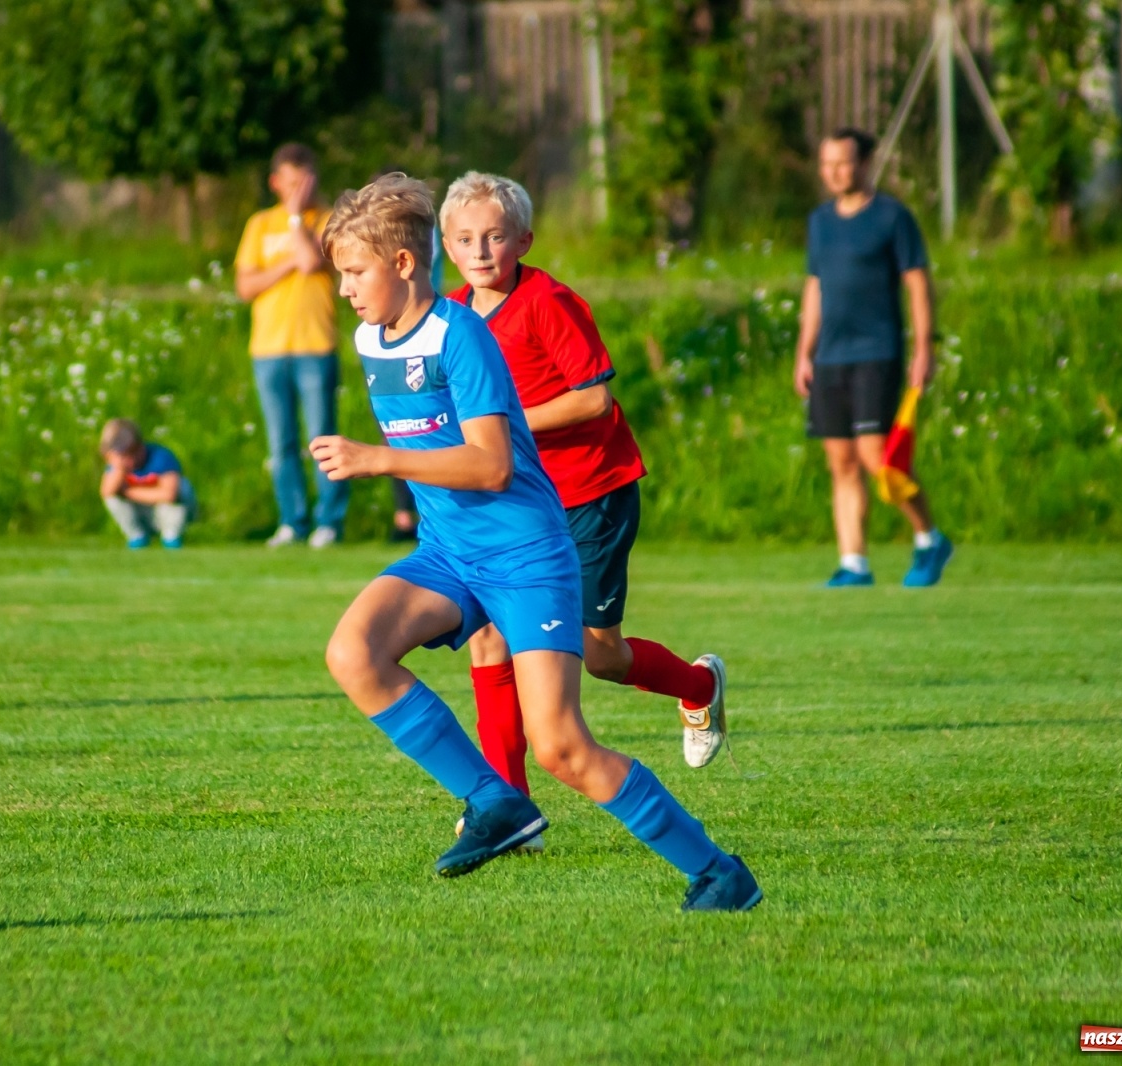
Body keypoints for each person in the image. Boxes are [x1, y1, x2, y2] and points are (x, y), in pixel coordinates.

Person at [310, 173, 760, 912]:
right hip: (449, 555)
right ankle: (494, 802)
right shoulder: (371, 338)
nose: (347, 291)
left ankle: (717, 873)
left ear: (401, 265)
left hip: (525, 557)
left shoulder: (463, 338)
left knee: (561, 748)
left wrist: (377, 458)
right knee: (352, 653)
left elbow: (490, 464)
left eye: (355, 272)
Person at [440, 172, 728, 832]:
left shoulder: (548, 301)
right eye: (464, 239)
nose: (480, 250)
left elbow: (593, 397)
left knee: (600, 656)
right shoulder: (452, 315)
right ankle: (503, 809)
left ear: (524, 240)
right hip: (516, 505)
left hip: (589, 492)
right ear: (448, 250)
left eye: (494, 236)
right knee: (487, 639)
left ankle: (699, 687)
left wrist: (506, 423)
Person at [795, 129, 954, 588]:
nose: (834, 173)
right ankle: (854, 563)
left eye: (843, 163)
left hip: (876, 354)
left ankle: (929, 537)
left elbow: (917, 283)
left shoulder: (892, 217)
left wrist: (924, 347)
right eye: (827, 164)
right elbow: (814, 287)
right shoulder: (820, 222)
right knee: (840, 461)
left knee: (878, 457)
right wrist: (805, 351)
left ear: (864, 163)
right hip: (830, 359)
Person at [234, 143, 349, 549]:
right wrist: (282, 264)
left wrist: (298, 217)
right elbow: (245, 286)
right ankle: (292, 520)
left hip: (315, 344)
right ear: (275, 182)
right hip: (268, 349)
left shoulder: (329, 220)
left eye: (305, 181)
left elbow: (310, 260)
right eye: (291, 182)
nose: (298, 188)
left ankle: (329, 521)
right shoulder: (259, 225)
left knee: (321, 436)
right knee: (280, 442)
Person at [98, 418, 194, 549]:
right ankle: (137, 537)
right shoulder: (118, 465)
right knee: (113, 497)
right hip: (140, 511)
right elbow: (107, 492)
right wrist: (119, 468)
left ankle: (171, 537)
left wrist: (127, 492)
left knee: (182, 486)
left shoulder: (161, 457)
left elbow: (169, 494)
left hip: (164, 511)